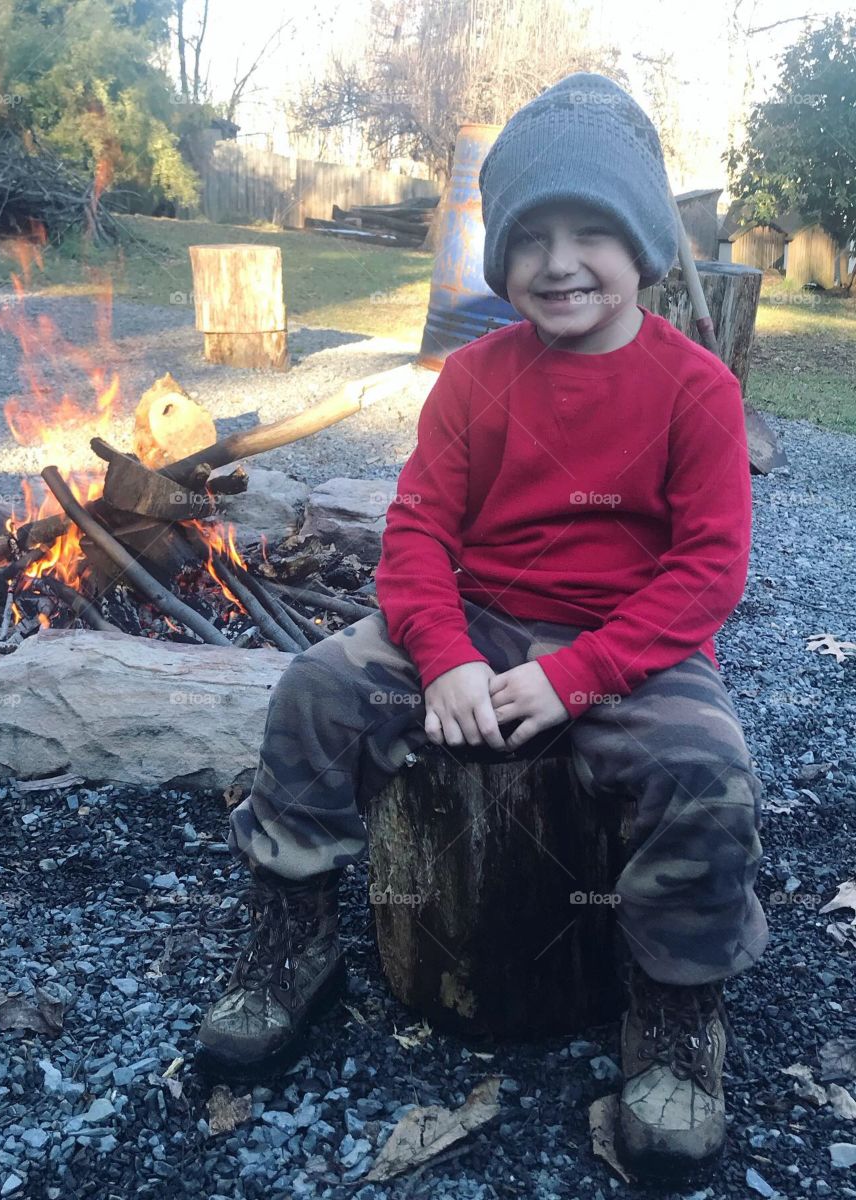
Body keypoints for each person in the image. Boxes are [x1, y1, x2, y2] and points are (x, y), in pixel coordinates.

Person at [194, 71, 769, 1186]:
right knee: (315, 686)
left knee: (709, 769)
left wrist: (584, 676)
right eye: (531, 237)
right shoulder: (473, 380)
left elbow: (707, 571)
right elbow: (415, 534)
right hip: (486, 619)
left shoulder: (696, 389)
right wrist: (447, 654)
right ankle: (291, 940)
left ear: (646, 242)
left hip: (634, 645)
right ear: (498, 258)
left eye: (592, 232)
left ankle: (677, 1019)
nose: (558, 262)